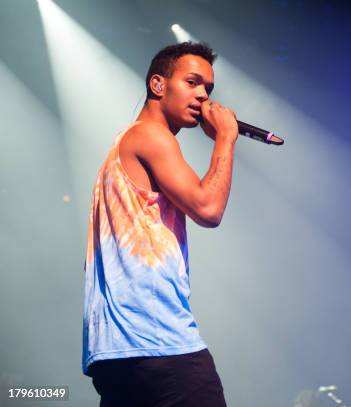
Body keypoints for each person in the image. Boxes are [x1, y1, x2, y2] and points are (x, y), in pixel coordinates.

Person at [82, 41, 238, 406]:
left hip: (115, 352)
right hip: (159, 340)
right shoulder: (151, 136)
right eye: (193, 82)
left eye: (209, 89)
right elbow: (208, 208)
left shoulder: (123, 144)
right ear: (158, 85)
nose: (203, 96)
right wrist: (226, 139)